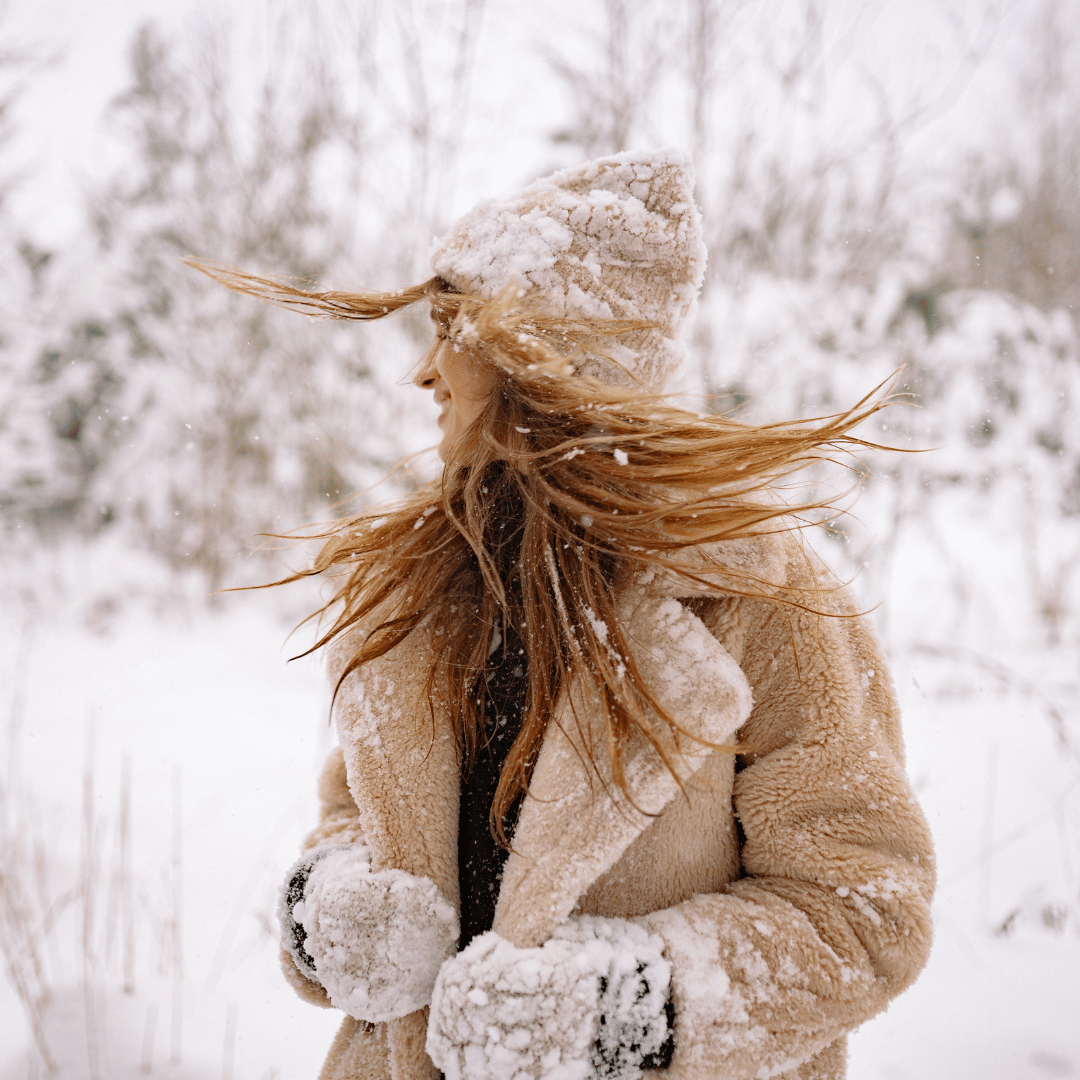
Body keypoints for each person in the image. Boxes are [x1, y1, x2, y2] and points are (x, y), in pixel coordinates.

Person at [190, 149, 934, 1080]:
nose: (426, 373)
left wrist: (619, 1013)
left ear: (544, 359)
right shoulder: (426, 595)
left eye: (450, 331)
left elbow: (864, 909)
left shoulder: (758, 600)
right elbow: (351, 817)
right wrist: (330, 911)